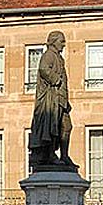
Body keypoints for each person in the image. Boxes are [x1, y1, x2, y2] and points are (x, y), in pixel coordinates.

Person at [28, 30, 74, 169]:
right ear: (53, 42)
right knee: (52, 126)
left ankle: (64, 156)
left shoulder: (58, 57)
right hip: (51, 98)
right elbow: (43, 69)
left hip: (60, 98)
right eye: (62, 41)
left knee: (66, 126)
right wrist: (56, 79)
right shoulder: (48, 55)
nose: (64, 45)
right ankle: (50, 155)